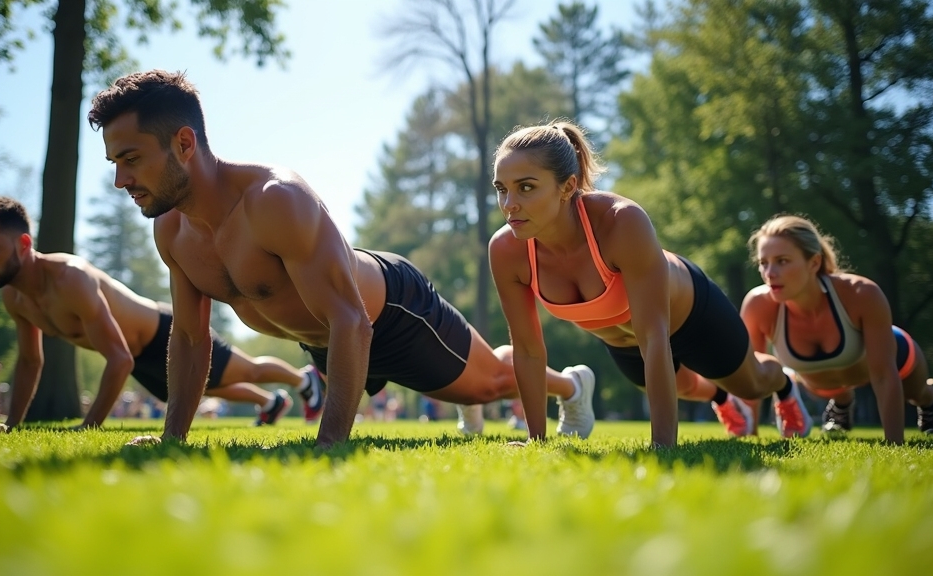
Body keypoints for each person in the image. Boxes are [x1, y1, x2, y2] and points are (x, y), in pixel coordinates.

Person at [86, 70, 596, 448]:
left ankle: (572, 386)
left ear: (183, 143)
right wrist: (172, 437)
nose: (120, 180)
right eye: (114, 162)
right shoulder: (172, 229)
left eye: (132, 159)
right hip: (326, 339)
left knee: (490, 386)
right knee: (471, 389)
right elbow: (190, 337)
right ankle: (478, 394)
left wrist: (330, 442)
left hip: (389, 312)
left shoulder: (274, 201)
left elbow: (352, 320)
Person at [488, 120, 812, 447]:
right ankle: (722, 400)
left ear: (568, 186)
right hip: (624, 344)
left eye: (526, 187)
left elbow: (654, 335)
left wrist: (662, 446)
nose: (509, 204)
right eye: (501, 189)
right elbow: (528, 350)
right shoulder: (506, 250)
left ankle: (785, 386)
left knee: (751, 384)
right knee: (685, 387)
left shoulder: (621, 221)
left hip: (690, 316)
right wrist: (535, 440)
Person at [0, 196, 325, 431]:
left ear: (24, 244)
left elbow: (118, 359)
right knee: (207, 387)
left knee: (249, 370)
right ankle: (270, 402)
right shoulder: (15, 298)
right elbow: (29, 361)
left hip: (162, 333)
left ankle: (302, 379)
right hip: (138, 357)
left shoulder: (71, 279)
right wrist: (10, 424)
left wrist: (89, 425)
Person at [741, 215, 933, 443]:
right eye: (763, 263)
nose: (769, 273)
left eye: (782, 261)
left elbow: (883, 375)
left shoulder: (861, 293)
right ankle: (841, 404)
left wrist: (894, 444)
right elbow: (752, 376)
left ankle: (931, 398)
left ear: (814, 263)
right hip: (825, 384)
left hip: (896, 358)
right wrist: (750, 436)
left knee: (915, 394)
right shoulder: (757, 305)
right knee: (820, 383)